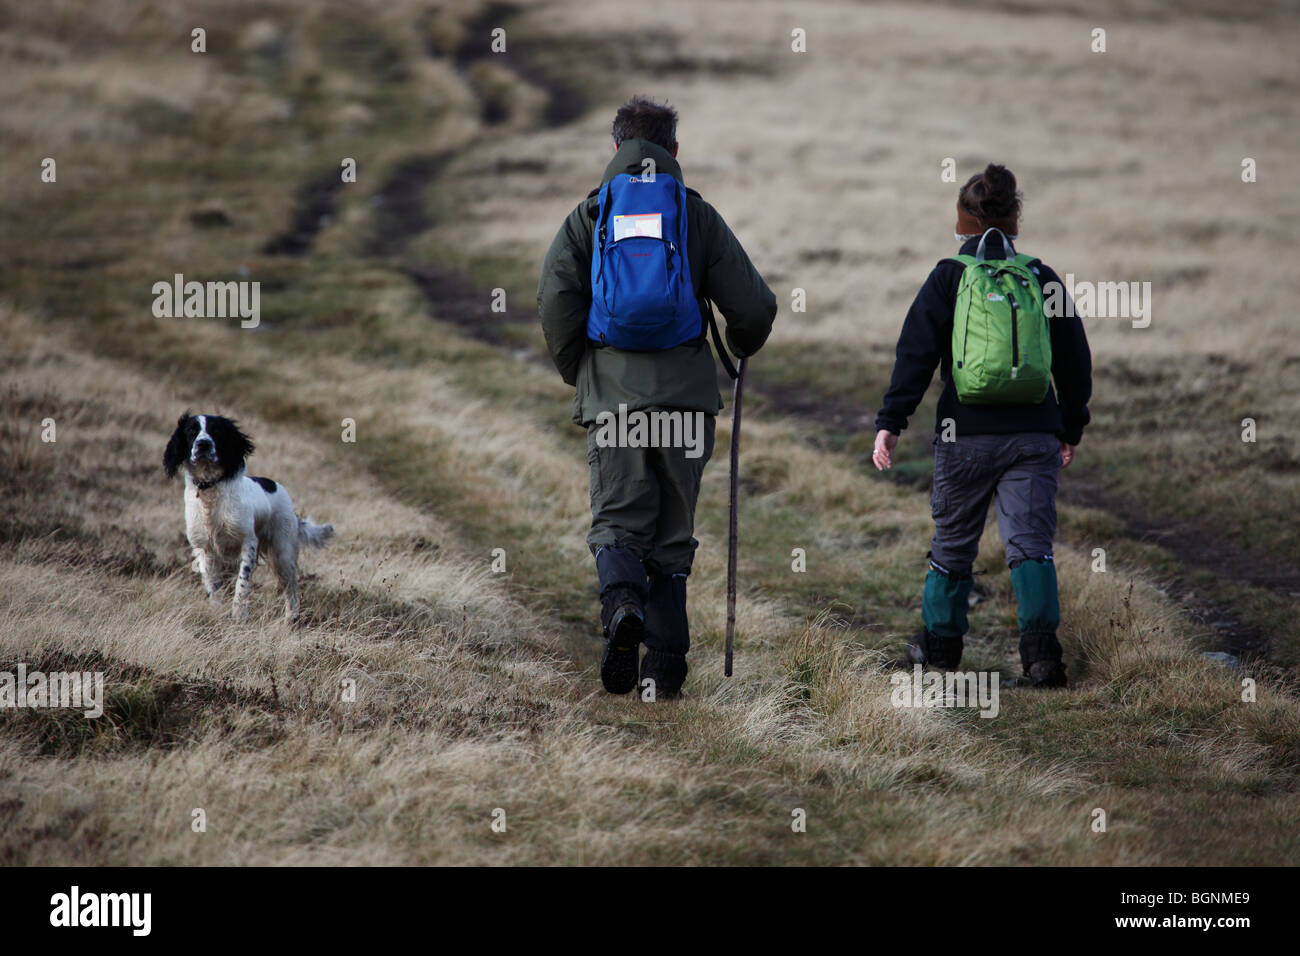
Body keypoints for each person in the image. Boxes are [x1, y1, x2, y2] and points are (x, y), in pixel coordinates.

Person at [538, 96, 776, 698]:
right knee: (671, 535)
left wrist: (582, 372)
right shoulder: (694, 216)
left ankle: (622, 612)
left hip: (614, 405)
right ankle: (663, 673)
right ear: (674, 152)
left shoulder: (589, 217)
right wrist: (740, 345)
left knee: (618, 521)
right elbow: (753, 306)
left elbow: (555, 300)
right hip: (687, 407)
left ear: (616, 149)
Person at [872, 164, 1092, 687]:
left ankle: (941, 651)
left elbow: (915, 355)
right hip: (1033, 434)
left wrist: (891, 422)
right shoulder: (1040, 276)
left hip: (962, 436)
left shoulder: (948, 276)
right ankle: (1041, 658)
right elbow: (1075, 359)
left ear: (963, 222)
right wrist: (1069, 427)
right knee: (1031, 547)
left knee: (952, 544)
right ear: (1015, 219)